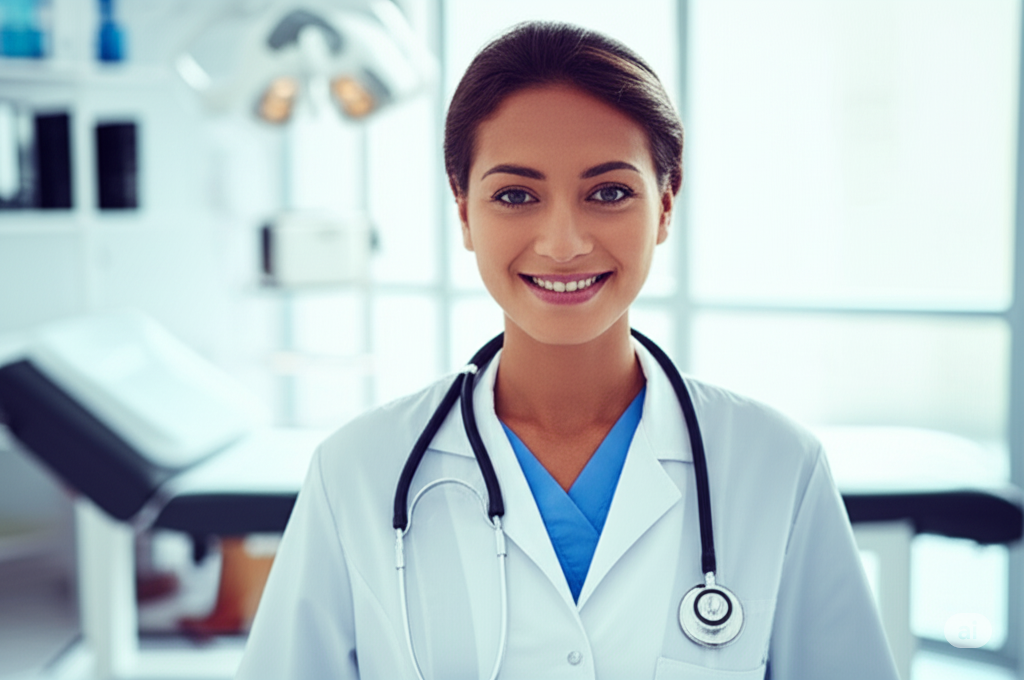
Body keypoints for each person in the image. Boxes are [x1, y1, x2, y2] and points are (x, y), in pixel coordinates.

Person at [236, 21, 899, 680]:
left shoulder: (776, 466)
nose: (563, 243)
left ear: (665, 206)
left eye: (609, 192)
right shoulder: (356, 474)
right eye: (515, 195)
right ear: (464, 212)